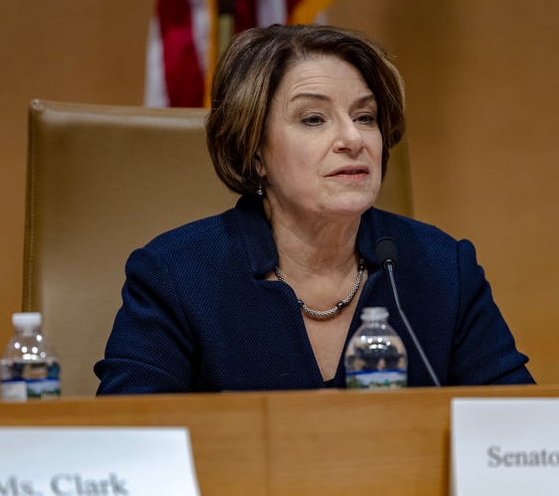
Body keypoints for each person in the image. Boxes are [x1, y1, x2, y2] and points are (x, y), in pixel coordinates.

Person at [95, 24, 534, 394]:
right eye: (313, 119)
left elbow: (522, 433)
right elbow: (129, 444)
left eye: (365, 117)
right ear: (255, 153)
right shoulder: (178, 275)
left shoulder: (442, 268)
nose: (354, 139)